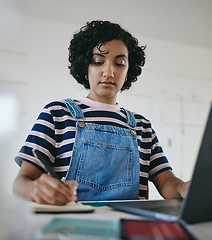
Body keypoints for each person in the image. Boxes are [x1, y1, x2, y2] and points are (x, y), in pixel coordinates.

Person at [12, 20, 189, 205]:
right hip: (69, 228)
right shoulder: (57, 114)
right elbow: (21, 183)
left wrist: (183, 188)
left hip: (127, 229)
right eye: (98, 62)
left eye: (120, 63)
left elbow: (167, 182)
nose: (109, 72)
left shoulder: (142, 127)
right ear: (85, 68)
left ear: (128, 72)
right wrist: (35, 190)